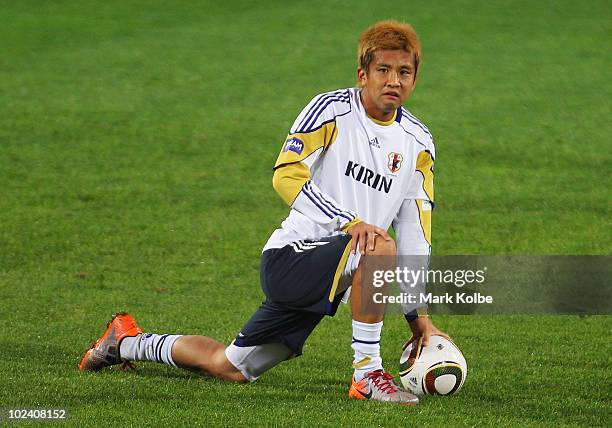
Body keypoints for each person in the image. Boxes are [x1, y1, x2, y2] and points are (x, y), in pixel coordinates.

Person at [79, 20, 448, 405]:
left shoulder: (419, 143)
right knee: (378, 244)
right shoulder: (331, 111)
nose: (393, 80)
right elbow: (286, 174)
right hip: (292, 257)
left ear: (415, 79)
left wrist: (416, 313)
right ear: (363, 74)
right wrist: (349, 222)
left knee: (232, 366)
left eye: (404, 72)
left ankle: (125, 341)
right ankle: (368, 374)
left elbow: (415, 232)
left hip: (337, 272)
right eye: (383, 70)